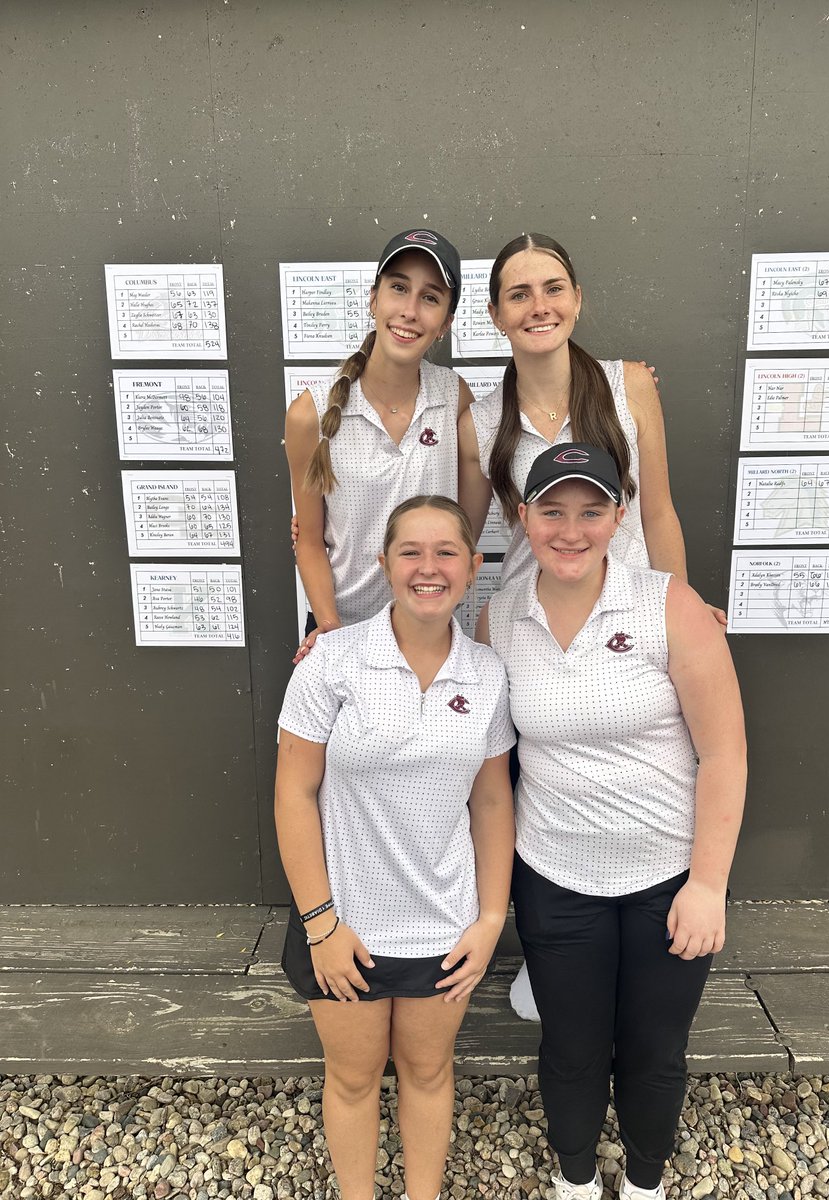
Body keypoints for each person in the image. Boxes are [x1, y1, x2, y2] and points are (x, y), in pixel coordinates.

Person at [456, 231, 726, 1018]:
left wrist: (683, 603)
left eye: (554, 287)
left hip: (635, 617)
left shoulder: (628, 384)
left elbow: (660, 507)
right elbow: (468, 536)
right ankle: (551, 950)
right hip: (535, 620)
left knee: (660, 761)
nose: (539, 305)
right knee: (532, 774)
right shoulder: (482, 419)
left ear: (576, 298)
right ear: (497, 313)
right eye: (519, 293)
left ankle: (657, 933)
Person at [475, 444, 746, 1200]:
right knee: (571, 1048)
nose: (571, 529)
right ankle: (574, 1179)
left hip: (668, 881)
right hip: (555, 879)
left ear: (618, 518)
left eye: (591, 511)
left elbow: (725, 755)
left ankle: (647, 1183)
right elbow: (495, 764)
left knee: (656, 1049)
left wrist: (708, 884)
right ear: (522, 519)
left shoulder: (670, 605)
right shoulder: (500, 618)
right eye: (552, 511)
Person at [276, 495, 516, 1200]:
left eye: (447, 553)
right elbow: (294, 795)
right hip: (343, 924)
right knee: (351, 1078)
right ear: (383, 564)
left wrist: (491, 920)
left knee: (429, 1073)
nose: (428, 568)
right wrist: (321, 925)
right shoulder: (333, 663)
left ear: (474, 568)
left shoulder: (487, 673)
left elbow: (493, 799)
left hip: (443, 924)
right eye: (411, 551)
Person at [286, 228, 471, 656]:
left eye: (430, 297)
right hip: (344, 629)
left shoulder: (454, 397)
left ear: (445, 322)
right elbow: (309, 541)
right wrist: (330, 626)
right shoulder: (309, 414)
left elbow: (463, 525)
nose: (409, 310)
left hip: (433, 627)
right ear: (374, 299)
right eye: (399, 288)